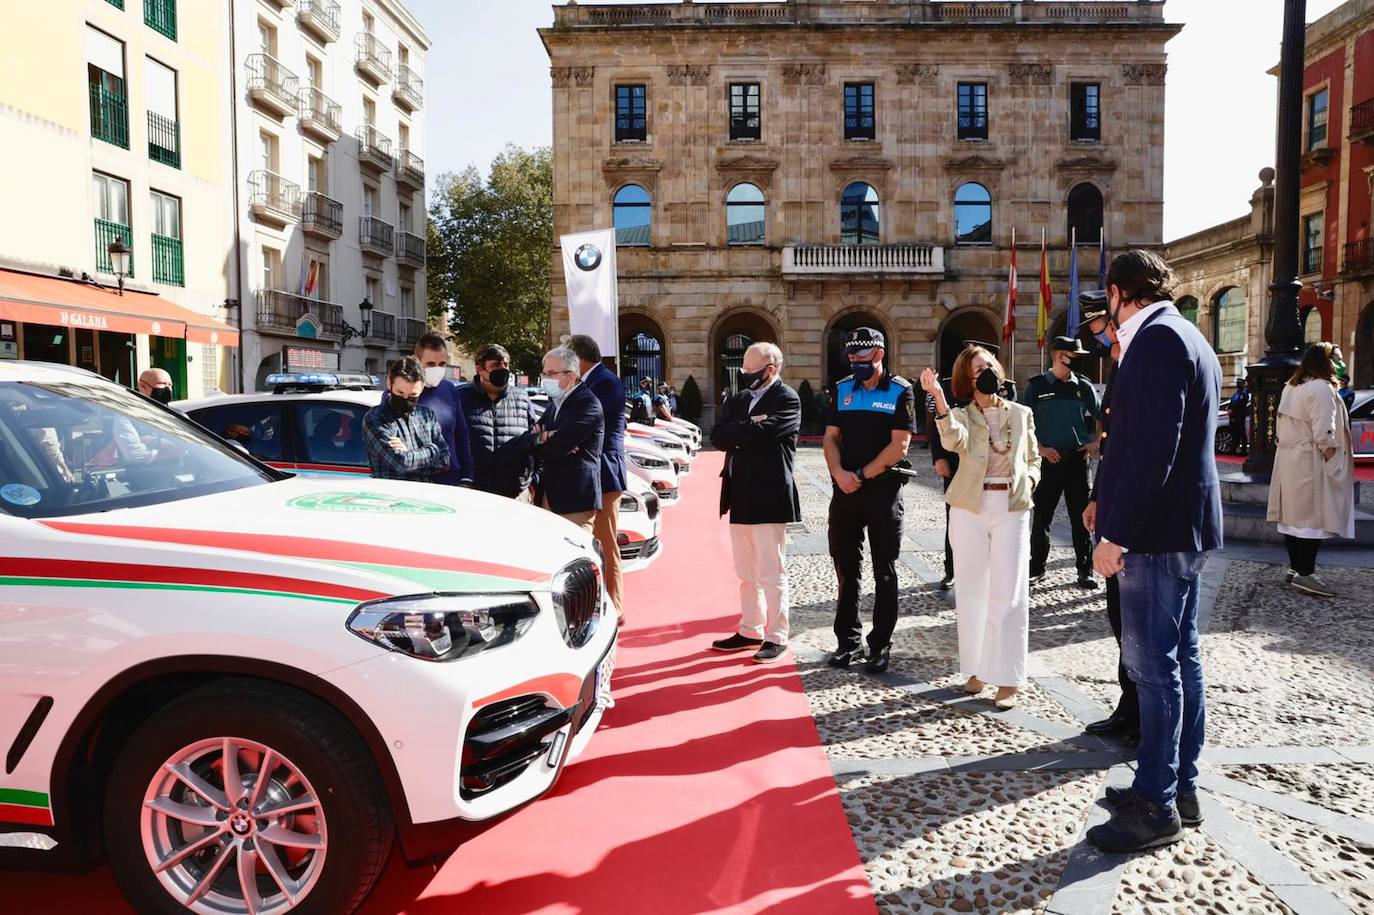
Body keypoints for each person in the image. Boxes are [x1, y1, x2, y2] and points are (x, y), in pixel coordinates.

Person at [1087, 249, 1223, 854]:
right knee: (1181, 658)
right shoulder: (1185, 333)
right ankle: (1178, 785)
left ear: (1119, 292)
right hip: (1179, 527)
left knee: (1152, 667)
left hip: (1156, 533)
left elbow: (1152, 450)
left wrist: (1117, 534)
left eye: (1106, 300)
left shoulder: (1158, 340)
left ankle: (1155, 803)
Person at [921, 347, 1041, 711]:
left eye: (990, 366)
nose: (986, 373)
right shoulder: (959, 415)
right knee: (973, 591)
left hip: (1012, 507)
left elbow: (1033, 457)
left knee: (1010, 591)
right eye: (978, 370)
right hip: (970, 508)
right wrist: (938, 398)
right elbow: (951, 440)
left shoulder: (1022, 414)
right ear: (966, 380)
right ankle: (977, 669)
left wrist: (1031, 480)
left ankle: (1008, 677)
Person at [823, 327, 916, 674]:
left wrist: (860, 475)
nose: (856, 364)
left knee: (885, 571)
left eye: (862, 358)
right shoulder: (843, 388)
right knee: (846, 569)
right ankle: (847, 641)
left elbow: (899, 446)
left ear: (879, 355)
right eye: (851, 358)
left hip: (883, 491)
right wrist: (839, 474)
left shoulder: (900, 390)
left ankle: (880, 645)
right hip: (844, 491)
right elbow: (831, 437)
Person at [709, 342, 802, 664]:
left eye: (751, 371)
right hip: (740, 494)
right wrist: (748, 429)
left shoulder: (787, 398)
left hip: (770, 494)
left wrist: (744, 432)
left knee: (771, 572)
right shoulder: (738, 400)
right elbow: (718, 436)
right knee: (746, 572)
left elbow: (765, 434)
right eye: (744, 371)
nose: (745, 376)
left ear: (771, 370)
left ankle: (777, 635)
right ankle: (750, 628)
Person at [1078, 289, 1139, 746]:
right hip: (1114, 503)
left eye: (1101, 326)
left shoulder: (1143, 360)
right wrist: (1098, 496)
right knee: (1120, 619)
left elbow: (1146, 452)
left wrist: (1118, 529)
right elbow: (1112, 444)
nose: (1100, 338)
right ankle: (1129, 706)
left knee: (1139, 625)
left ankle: (1142, 717)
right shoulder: (1121, 366)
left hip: (1137, 523)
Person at [1266, 342, 1355, 598]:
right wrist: (1330, 458)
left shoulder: (1293, 386)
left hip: (1291, 458)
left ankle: (1296, 569)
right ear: (1325, 362)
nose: (1339, 363)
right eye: (1335, 358)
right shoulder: (1321, 387)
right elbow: (1324, 430)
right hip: (1310, 459)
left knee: (1293, 518)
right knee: (1311, 519)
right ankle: (1305, 573)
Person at [1022, 336, 1101, 590]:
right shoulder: (1036, 387)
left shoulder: (1083, 386)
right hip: (1049, 461)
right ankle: (1037, 569)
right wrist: (1041, 449)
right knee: (1042, 517)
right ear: (1059, 356)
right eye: (1073, 356)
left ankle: (1084, 570)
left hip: (1077, 461)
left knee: (1081, 518)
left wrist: (1095, 441)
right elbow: (1023, 424)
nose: (1078, 360)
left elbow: (1102, 416)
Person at [567, 334, 631, 618]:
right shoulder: (593, 380)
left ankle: (615, 608)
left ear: (579, 358)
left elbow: (588, 420)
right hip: (589, 470)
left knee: (606, 542)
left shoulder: (605, 381)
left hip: (604, 469)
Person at [533, 346, 604, 532]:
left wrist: (544, 440)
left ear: (571, 375)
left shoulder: (587, 405)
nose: (545, 379)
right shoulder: (554, 404)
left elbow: (555, 448)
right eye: (544, 373)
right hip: (549, 495)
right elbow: (529, 440)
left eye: (551, 373)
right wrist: (545, 437)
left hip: (574, 501)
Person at [457, 343, 539, 498]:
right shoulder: (459, 397)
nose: (502, 369)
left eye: (506, 365)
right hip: (473, 491)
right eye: (495, 365)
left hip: (515, 491)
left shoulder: (522, 398)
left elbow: (534, 440)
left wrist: (532, 480)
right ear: (480, 369)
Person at [363, 356, 450, 482]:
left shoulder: (427, 415)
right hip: (391, 496)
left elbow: (445, 461)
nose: (405, 399)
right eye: (400, 393)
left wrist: (409, 452)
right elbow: (401, 463)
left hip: (424, 495)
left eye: (412, 395)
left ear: (422, 388)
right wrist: (433, 450)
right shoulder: (376, 418)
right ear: (389, 383)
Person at [413, 333, 475, 487]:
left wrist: (467, 476)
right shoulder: (402, 392)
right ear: (416, 361)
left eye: (442, 364)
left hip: (451, 480)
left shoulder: (449, 389)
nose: (437, 369)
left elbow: (461, 433)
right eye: (431, 364)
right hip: (416, 481)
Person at [1226, 378, 1251, 456]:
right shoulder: (1236, 393)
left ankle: (1243, 450)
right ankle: (1233, 449)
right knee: (1234, 433)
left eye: (1240, 383)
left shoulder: (1244, 393)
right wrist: (1229, 409)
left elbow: (1240, 404)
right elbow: (1232, 402)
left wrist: (1233, 410)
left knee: (1241, 433)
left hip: (1240, 416)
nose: (1238, 384)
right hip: (1234, 416)